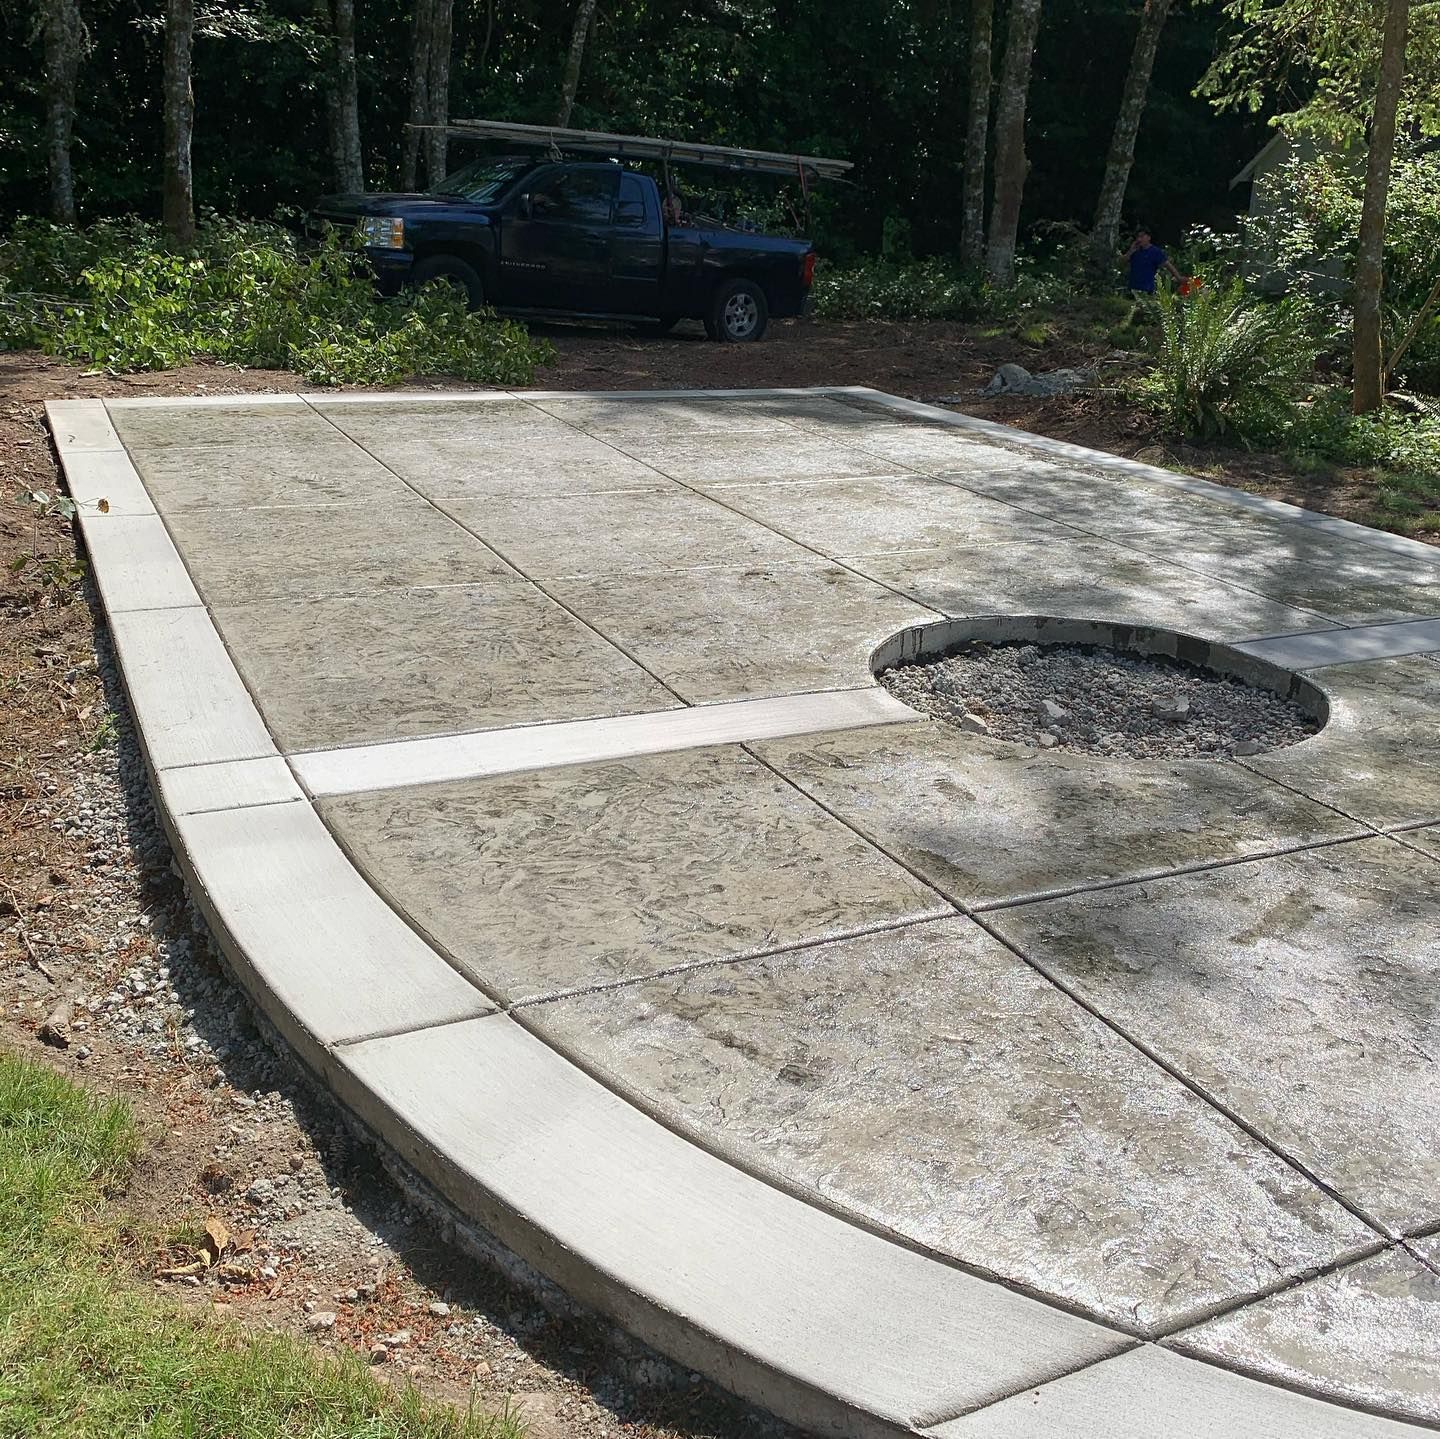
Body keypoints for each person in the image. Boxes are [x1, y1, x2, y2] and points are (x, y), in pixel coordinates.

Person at [1124, 229, 1182, 294]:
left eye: (1142, 236)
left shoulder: (1155, 251)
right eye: (1138, 237)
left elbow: (1168, 265)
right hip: (1132, 289)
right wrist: (1131, 251)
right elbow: (1122, 263)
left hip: (1147, 289)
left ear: (1149, 237)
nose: (1139, 239)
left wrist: (1178, 277)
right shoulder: (1135, 251)